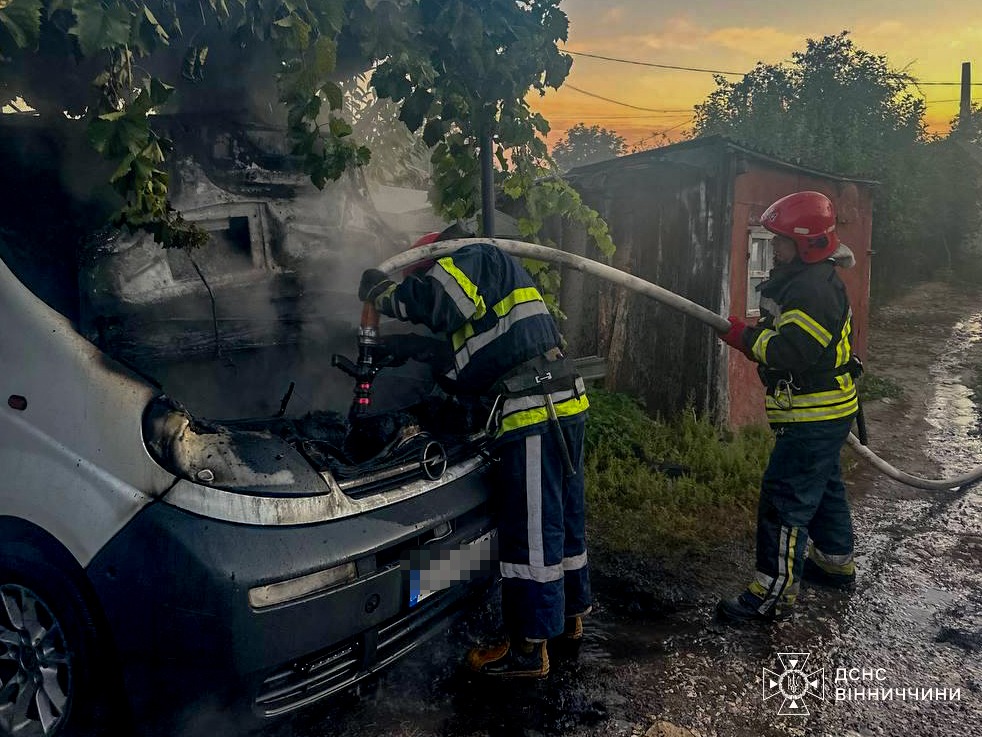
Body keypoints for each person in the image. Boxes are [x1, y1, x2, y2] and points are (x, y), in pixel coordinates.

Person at [358, 230, 591, 677]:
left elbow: (436, 300)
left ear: (434, 261)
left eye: (425, 276)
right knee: (563, 519)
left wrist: (382, 294)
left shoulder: (474, 255)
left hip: (533, 412)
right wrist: (412, 350)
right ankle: (568, 621)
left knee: (532, 534)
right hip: (562, 402)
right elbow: (467, 366)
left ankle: (528, 649)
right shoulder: (494, 285)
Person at [717, 191, 861, 624]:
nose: (773, 246)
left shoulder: (813, 289)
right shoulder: (802, 280)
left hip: (813, 415)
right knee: (825, 486)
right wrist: (755, 331)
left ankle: (770, 595)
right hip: (827, 412)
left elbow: (792, 352)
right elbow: (788, 331)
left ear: (807, 244)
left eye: (779, 241)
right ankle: (836, 564)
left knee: (786, 499)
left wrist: (744, 338)